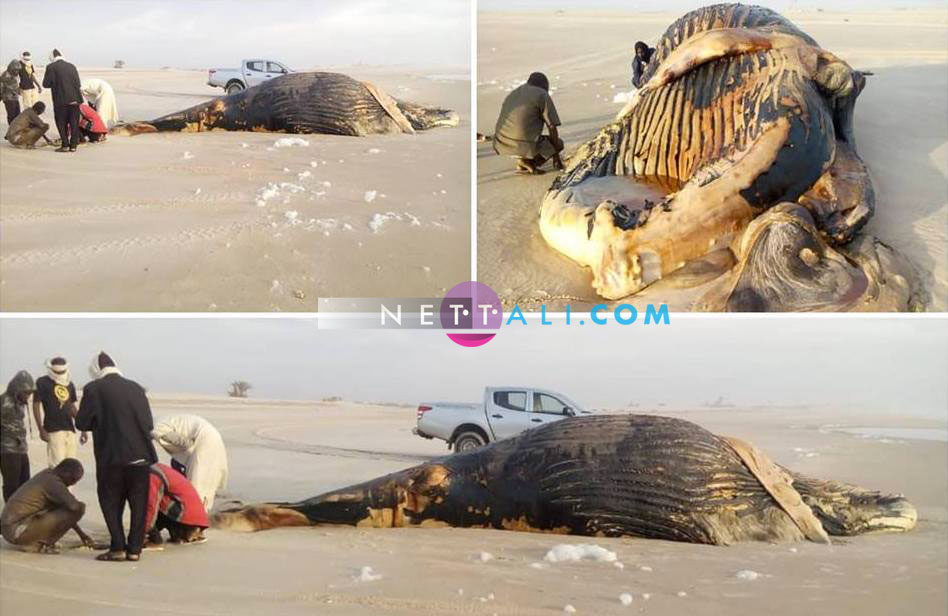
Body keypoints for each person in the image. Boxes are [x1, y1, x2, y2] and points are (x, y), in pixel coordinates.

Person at [75, 352, 158, 562]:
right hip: (141, 456)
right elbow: (148, 424)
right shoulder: (137, 388)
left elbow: (82, 423)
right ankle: (135, 549)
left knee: (111, 502)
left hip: (111, 457)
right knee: (139, 504)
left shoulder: (93, 389)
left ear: (95, 369)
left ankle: (118, 547)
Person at [0, 458, 96, 553]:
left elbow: (67, 514)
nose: (73, 483)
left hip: (10, 529)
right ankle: (44, 544)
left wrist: (82, 535)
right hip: (17, 530)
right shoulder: (53, 483)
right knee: (80, 508)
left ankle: (40, 541)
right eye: (73, 479)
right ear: (65, 473)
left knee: (67, 508)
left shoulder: (47, 475)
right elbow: (74, 507)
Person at [152, 414, 228, 511]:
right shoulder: (162, 420)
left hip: (204, 440)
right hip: (211, 436)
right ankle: (201, 510)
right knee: (207, 478)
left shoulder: (157, 428)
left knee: (197, 481)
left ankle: (196, 513)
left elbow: (184, 443)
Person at [493, 71, 564, 175]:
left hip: (501, 142)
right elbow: (552, 126)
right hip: (522, 143)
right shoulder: (542, 94)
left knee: (529, 136)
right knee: (559, 143)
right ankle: (529, 162)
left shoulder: (514, 92)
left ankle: (523, 160)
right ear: (545, 86)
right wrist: (556, 155)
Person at [33, 357, 88, 468]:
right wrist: (41, 429)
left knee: (71, 467)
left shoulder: (69, 384)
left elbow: (71, 406)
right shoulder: (42, 382)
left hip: (70, 431)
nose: (60, 373)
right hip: (53, 431)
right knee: (57, 467)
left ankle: (67, 487)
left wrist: (83, 428)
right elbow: (36, 404)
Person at [144, 463, 209, 546]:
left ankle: (155, 540)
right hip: (196, 517)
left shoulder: (152, 475)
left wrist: (142, 533)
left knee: (152, 501)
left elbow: (150, 506)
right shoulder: (154, 468)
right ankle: (184, 532)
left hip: (188, 518)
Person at [0, 371, 34, 502]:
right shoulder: (3, 402)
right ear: (17, 388)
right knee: (11, 486)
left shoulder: (20, 402)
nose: (28, 396)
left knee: (25, 483)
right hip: (7, 450)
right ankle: (10, 518)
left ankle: (21, 514)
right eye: (26, 392)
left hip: (21, 449)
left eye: (30, 393)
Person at [42, 49, 82, 153]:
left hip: (60, 100)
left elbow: (46, 84)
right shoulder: (72, 66)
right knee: (74, 123)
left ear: (52, 57)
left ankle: (65, 145)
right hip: (75, 99)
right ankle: (73, 146)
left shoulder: (51, 67)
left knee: (61, 123)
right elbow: (78, 83)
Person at [1, 59, 22, 125]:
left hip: (15, 98)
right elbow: (1, 88)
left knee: (17, 115)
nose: (17, 71)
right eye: (15, 70)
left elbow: (16, 86)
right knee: (11, 116)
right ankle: (11, 130)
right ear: (11, 68)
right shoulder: (5, 75)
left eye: (18, 70)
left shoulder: (14, 75)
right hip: (8, 99)